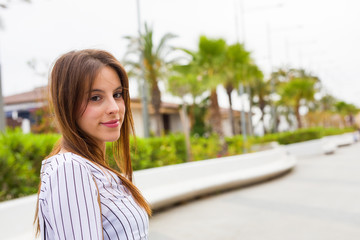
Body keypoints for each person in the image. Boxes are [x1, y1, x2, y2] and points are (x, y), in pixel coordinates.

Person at [34, 49, 152, 240]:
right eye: (95, 98)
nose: (114, 108)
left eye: (117, 94)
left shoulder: (92, 168)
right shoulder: (70, 169)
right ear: (67, 104)